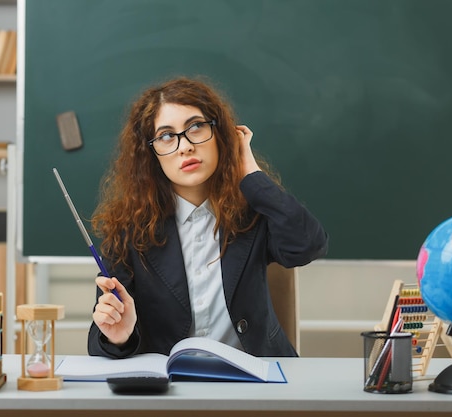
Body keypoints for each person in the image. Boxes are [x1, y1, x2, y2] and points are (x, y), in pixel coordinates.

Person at [88, 76, 328, 359]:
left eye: (196, 127)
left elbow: (308, 245)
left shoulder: (254, 210)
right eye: (166, 136)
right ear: (151, 154)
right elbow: (99, 343)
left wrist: (249, 172)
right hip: (170, 388)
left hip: (257, 381)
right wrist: (121, 337)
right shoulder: (128, 231)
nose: (185, 146)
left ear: (220, 133)